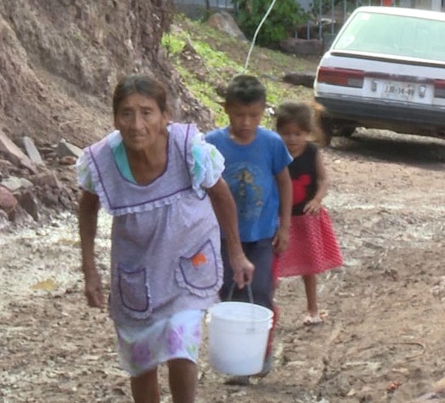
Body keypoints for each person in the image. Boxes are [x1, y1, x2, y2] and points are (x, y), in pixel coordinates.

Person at [77, 74, 254, 403]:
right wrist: (89, 270)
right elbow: (87, 208)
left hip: (187, 264)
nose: (136, 124)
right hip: (137, 272)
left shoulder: (188, 148)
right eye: (126, 113)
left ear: (164, 116)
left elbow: (221, 195)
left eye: (147, 112)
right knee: (141, 362)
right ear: (115, 118)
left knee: (180, 343)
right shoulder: (102, 160)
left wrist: (236, 253)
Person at [206, 74, 292, 381]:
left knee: (260, 290)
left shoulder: (271, 144)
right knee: (228, 293)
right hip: (223, 238)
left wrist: (285, 226)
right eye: (240, 115)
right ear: (227, 109)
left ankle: (260, 351)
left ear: (263, 111)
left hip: (262, 236)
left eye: (253, 116)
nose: (246, 122)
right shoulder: (211, 144)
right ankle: (236, 358)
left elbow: (284, 182)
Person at [270, 102, 343, 327]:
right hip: (279, 218)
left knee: (309, 265)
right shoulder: (274, 152)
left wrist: (317, 199)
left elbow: (322, 179)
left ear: (308, 133)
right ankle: (267, 308)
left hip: (305, 218)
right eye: (286, 134)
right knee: (272, 265)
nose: (292, 139)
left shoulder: (312, 152)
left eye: (298, 134)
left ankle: (313, 309)